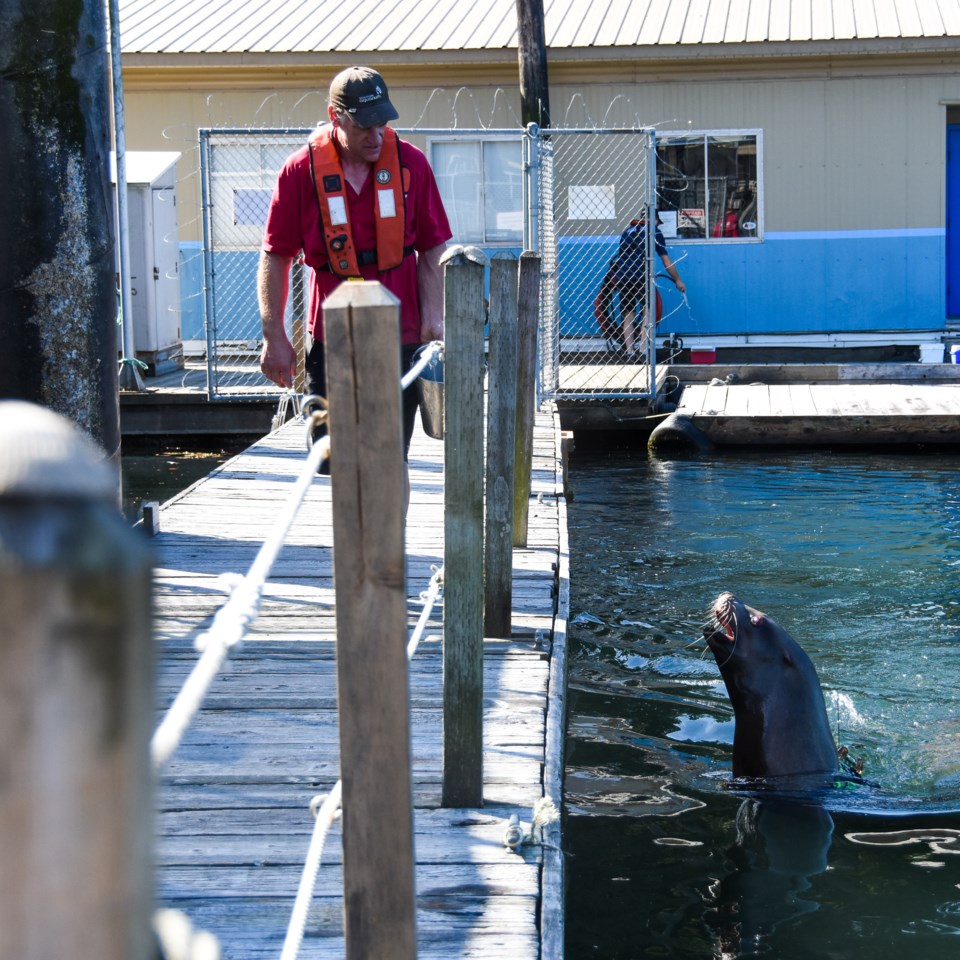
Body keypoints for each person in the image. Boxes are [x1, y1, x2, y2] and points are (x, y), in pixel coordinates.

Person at [257, 65, 452, 480]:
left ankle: (387, 544)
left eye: (382, 123)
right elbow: (276, 254)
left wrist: (434, 318)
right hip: (331, 339)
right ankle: (352, 544)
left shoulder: (410, 166)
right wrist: (274, 336)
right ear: (335, 117)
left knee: (388, 459)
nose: (376, 135)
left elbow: (433, 245)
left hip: (399, 337)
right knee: (334, 460)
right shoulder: (300, 172)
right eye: (364, 125)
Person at [613, 216, 686, 355]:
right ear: (655, 220)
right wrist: (677, 280)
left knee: (628, 313)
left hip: (623, 276)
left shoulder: (627, 231)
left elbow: (625, 258)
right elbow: (666, 260)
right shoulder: (655, 232)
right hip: (641, 276)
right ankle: (643, 350)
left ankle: (629, 352)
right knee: (648, 311)